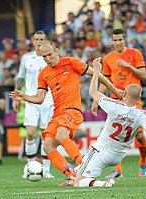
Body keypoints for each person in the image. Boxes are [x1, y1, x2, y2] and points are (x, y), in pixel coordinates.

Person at [9, 41, 123, 186]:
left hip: (72, 109)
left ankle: (83, 168)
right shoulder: (43, 73)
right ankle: (72, 176)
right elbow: (39, 99)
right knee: (48, 146)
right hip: (57, 113)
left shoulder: (71, 62)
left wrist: (114, 90)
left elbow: (97, 75)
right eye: (44, 56)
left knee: (61, 135)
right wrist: (24, 96)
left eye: (50, 54)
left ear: (57, 51)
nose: (48, 58)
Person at [72, 57, 146, 187]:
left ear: (124, 93)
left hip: (102, 151)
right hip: (119, 156)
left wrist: (96, 71)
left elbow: (93, 92)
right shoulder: (142, 115)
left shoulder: (113, 105)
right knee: (82, 166)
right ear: (139, 97)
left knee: (78, 182)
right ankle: (82, 168)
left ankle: (104, 183)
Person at [91, 29, 146, 178]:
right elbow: (106, 81)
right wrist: (96, 100)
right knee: (113, 135)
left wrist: (128, 66)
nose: (117, 43)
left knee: (140, 136)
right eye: (114, 40)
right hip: (116, 99)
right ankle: (118, 170)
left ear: (125, 40)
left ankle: (143, 163)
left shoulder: (135, 53)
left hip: (133, 100)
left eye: (120, 40)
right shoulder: (108, 58)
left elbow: (143, 75)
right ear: (111, 41)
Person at [12, 31, 54, 178]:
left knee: (45, 135)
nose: (39, 42)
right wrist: (16, 97)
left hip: (48, 99)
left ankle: (46, 169)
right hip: (30, 99)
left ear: (46, 41)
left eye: (42, 39)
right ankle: (30, 167)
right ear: (32, 41)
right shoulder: (26, 58)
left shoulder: (50, 57)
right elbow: (20, 78)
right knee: (30, 133)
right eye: (36, 39)